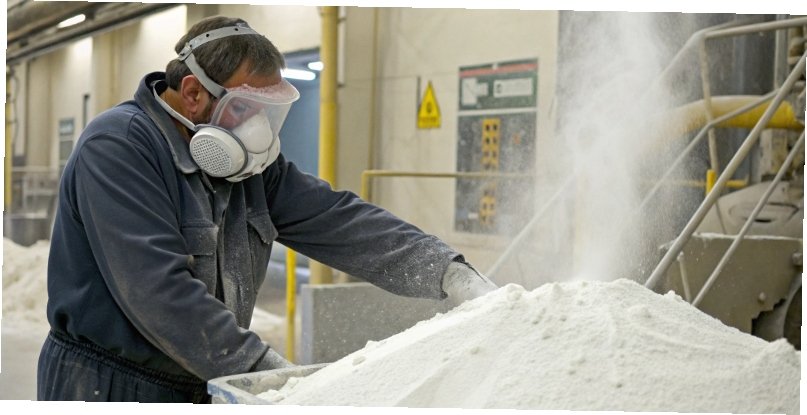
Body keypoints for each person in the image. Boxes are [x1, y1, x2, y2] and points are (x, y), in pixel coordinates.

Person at [38, 15, 497, 403]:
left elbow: (338, 219)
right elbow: (155, 291)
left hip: (205, 376)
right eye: (247, 108)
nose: (259, 129)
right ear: (194, 94)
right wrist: (269, 374)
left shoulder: (248, 167)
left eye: (269, 112)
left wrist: (446, 271)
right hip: (107, 385)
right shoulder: (119, 147)